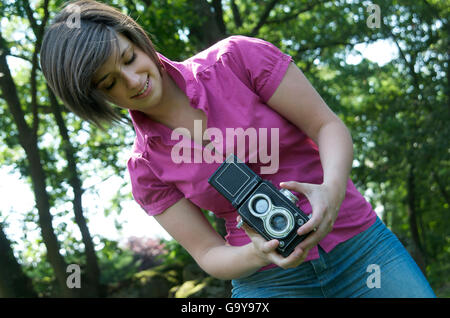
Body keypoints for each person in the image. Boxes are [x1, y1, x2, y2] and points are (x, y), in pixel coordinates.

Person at [40, 0, 436, 298]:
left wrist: (331, 192)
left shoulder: (237, 59)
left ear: (138, 40)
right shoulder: (145, 169)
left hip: (359, 246)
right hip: (270, 284)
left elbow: (327, 126)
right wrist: (260, 254)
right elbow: (208, 254)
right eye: (109, 83)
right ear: (95, 98)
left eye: (129, 58)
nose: (132, 80)